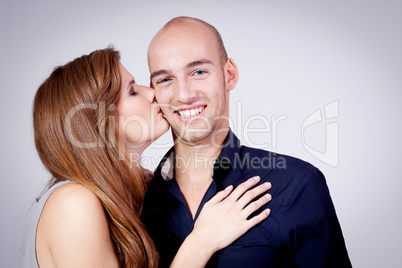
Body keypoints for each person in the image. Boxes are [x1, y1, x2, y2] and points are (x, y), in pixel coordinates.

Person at [22, 47, 273, 268]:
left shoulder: (145, 188)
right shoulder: (73, 203)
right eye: (132, 91)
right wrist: (201, 242)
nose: (152, 93)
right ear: (98, 122)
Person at [141, 16, 352, 267]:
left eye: (199, 72)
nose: (184, 95)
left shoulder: (297, 185)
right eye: (165, 79)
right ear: (153, 90)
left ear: (229, 74)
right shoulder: (137, 200)